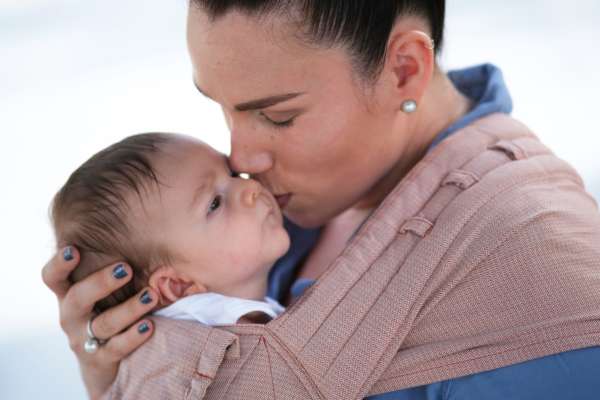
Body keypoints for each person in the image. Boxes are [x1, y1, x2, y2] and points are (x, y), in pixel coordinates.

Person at [41, 1, 600, 399]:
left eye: (278, 116)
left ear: (404, 69)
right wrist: (122, 372)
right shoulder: (272, 220)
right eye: (223, 107)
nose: (241, 158)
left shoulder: (541, 267)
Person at [51, 133, 289, 332]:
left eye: (233, 175)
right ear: (177, 285)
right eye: (215, 204)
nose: (251, 186)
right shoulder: (235, 337)